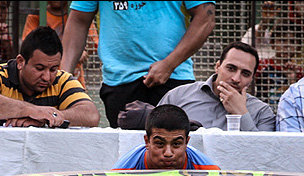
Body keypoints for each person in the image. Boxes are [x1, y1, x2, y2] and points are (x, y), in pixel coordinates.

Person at [61, 1, 216, 128]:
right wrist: (62, 80)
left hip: (174, 79)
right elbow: (78, 20)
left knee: (174, 153)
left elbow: (205, 18)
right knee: (129, 155)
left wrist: (169, 64)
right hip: (119, 83)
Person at [0, 25, 99, 127]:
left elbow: (91, 115)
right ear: (20, 62)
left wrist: (49, 117)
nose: (47, 77)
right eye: (39, 68)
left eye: (53, 69)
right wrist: (30, 111)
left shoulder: (62, 80)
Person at [158, 42, 275, 131]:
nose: (236, 79)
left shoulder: (262, 112)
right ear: (217, 66)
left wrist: (242, 113)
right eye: (231, 68)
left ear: (251, 79)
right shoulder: (178, 96)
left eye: (245, 73)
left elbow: (264, 156)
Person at [113, 104, 220, 170]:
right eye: (159, 144)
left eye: (176, 144)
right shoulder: (121, 172)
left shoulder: (209, 171)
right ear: (147, 141)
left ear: (186, 142)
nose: (168, 153)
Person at [22, 1, 98, 88]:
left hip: (75, 78)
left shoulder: (79, 14)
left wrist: (83, 51)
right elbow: (28, 47)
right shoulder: (36, 15)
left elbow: (94, 43)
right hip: (44, 81)